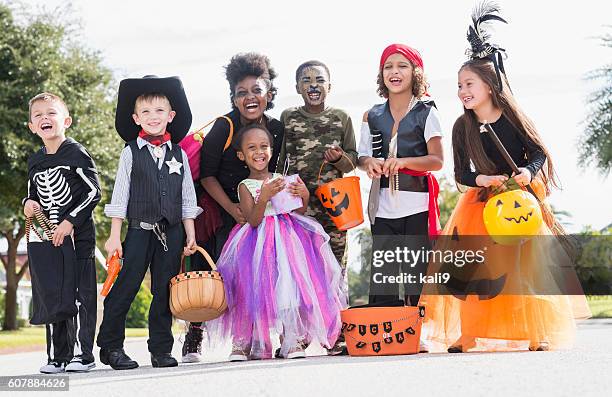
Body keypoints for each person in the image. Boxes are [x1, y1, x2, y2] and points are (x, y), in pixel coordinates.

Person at [420, 3, 591, 352]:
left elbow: (538, 152)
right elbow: (461, 174)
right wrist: (482, 181)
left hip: (519, 202)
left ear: (489, 85)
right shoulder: (461, 127)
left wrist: (528, 172)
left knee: (526, 270)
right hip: (480, 205)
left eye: (468, 83)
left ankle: (535, 331)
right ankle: (468, 333)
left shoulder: (513, 117)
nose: (462, 91)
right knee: (475, 270)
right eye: (459, 85)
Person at [206, 124, 346, 361]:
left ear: (272, 151)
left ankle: (290, 339)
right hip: (256, 243)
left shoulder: (281, 179)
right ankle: (248, 342)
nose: (259, 152)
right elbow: (252, 219)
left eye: (264, 146)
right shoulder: (244, 185)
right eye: (251, 148)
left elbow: (296, 209)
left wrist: (304, 195)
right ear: (241, 155)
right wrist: (265, 196)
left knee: (288, 288)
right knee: (253, 289)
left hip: (287, 240)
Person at [182, 53, 284, 363]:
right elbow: (207, 174)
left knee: (267, 273)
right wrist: (232, 209)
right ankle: (194, 335)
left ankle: (267, 336)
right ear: (234, 98)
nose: (250, 97)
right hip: (223, 208)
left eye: (256, 90)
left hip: (263, 208)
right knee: (215, 272)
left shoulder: (277, 129)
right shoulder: (224, 127)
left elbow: (277, 171)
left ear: (268, 93)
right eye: (242, 93)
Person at [97, 76, 201, 369]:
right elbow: (120, 195)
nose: (153, 118)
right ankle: (111, 346)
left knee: (164, 291)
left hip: (172, 233)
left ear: (171, 116)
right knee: (126, 286)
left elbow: (186, 197)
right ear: (135, 118)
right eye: (146, 112)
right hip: (139, 231)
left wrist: (189, 234)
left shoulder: (178, 153)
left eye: (159, 112)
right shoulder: (130, 152)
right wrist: (115, 236)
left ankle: (160, 349)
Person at [275, 60, 357, 355]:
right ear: (297, 87)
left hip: (334, 208)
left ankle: (335, 336)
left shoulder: (341, 118)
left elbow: (351, 164)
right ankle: (295, 335)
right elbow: (280, 162)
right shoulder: (287, 118)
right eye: (306, 80)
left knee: (335, 271)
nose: (313, 85)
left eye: (319, 80)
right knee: (297, 272)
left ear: (329, 86)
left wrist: (337, 159)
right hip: (298, 210)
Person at [357, 44, 443, 310]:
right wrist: (368, 162)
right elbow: (361, 156)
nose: (394, 72)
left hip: (416, 205)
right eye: (388, 66)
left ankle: (420, 332)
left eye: (402, 66)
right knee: (385, 273)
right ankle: (386, 331)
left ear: (415, 73)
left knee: (416, 271)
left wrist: (403, 161)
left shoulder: (427, 112)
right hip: (381, 206)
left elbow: (437, 160)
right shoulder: (371, 115)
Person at [24, 92, 101, 373]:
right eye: (38, 115)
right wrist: (28, 203)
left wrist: (70, 221)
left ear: (65, 120)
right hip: (49, 240)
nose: (45, 118)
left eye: (51, 113)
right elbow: (32, 194)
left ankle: (84, 354)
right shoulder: (35, 161)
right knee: (54, 294)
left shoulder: (76, 152)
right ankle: (59, 355)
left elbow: (94, 192)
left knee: (80, 295)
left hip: (77, 239)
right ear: (32, 126)